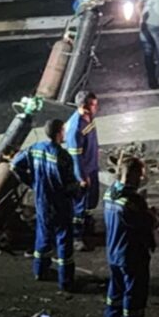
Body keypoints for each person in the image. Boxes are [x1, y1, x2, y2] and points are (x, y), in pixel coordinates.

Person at [11, 119, 76, 290]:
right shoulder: (63, 157)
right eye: (64, 130)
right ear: (59, 133)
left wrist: (32, 182)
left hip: (42, 202)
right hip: (60, 204)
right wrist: (80, 189)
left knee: (43, 237)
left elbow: (15, 165)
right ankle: (66, 281)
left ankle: (40, 270)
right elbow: (69, 185)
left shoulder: (36, 149)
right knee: (64, 242)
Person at [103, 157, 159, 317]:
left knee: (116, 288)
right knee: (134, 294)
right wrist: (157, 216)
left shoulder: (109, 193)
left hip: (114, 252)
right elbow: (146, 223)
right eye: (141, 175)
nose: (141, 180)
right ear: (134, 175)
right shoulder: (133, 201)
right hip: (132, 255)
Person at [65, 90, 100, 250]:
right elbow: (75, 158)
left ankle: (88, 227)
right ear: (85, 106)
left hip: (92, 167)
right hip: (83, 172)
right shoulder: (75, 128)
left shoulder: (89, 118)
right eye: (93, 105)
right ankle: (77, 237)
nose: (96, 107)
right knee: (80, 204)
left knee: (91, 201)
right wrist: (82, 177)